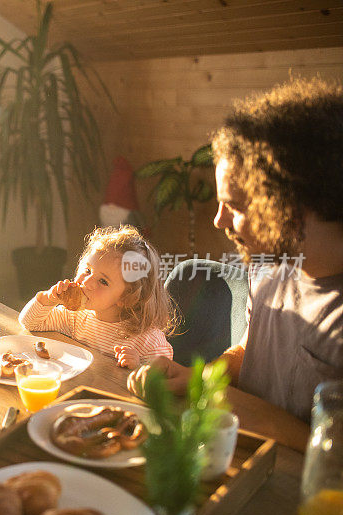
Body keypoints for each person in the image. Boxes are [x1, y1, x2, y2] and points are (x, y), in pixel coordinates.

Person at [128, 77, 343, 428]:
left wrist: (236, 411)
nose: (218, 220)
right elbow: (249, 353)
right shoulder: (267, 265)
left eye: (236, 205)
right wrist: (198, 379)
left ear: (294, 203)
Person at [19, 225, 175, 369]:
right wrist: (48, 299)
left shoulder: (148, 342)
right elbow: (30, 323)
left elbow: (164, 386)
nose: (87, 282)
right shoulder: (75, 317)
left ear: (127, 298)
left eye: (103, 281)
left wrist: (138, 367)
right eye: (87, 270)